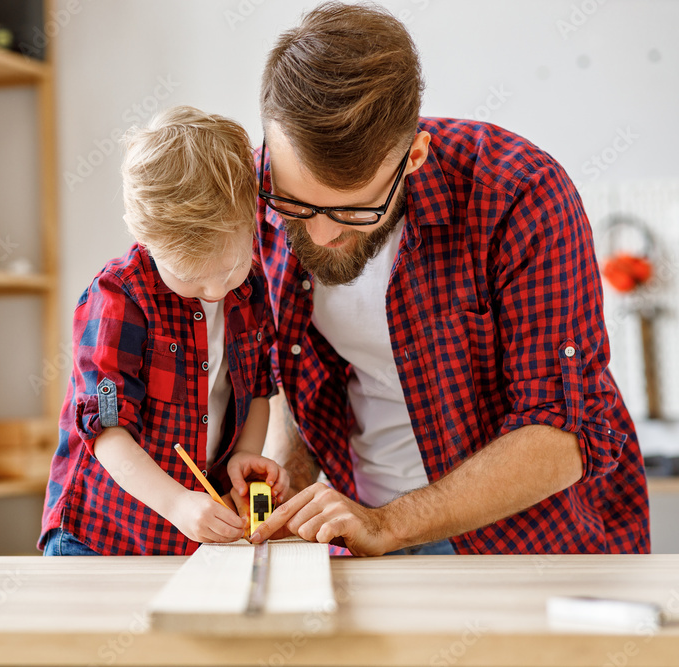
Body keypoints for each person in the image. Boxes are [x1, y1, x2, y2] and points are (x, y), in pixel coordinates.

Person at [250, 2, 649, 555]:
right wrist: (287, 471)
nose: (319, 235)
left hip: (521, 548)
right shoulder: (256, 191)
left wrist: (388, 523)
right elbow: (304, 371)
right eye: (297, 204)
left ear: (412, 157)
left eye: (352, 212)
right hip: (363, 536)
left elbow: (562, 436)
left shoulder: (520, 195)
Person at [40, 106, 289, 556]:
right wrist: (175, 502)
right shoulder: (120, 297)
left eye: (230, 267)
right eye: (191, 276)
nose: (215, 290)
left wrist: (243, 455)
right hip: (101, 536)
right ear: (148, 239)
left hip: (185, 538)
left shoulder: (250, 289)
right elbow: (108, 432)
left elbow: (256, 393)